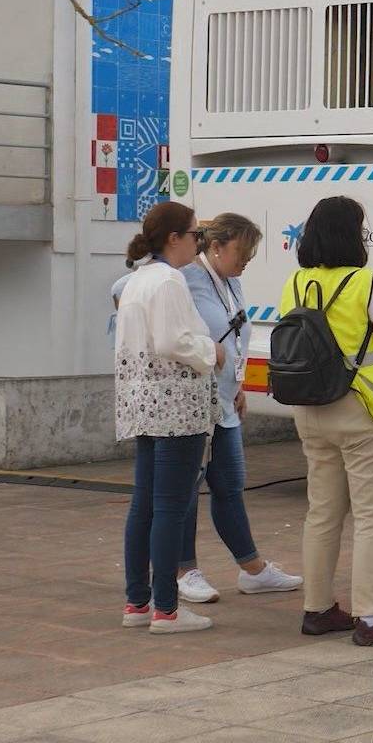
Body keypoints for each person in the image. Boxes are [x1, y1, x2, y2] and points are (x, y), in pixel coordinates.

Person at [280, 196, 373, 646]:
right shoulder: (367, 282)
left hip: (312, 410)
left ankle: (317, 608)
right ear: (352, 235)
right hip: (364, 412)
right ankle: (372, 617)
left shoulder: (296, 282)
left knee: (322, 513)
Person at [174, 213, 304, 604]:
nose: (245, 261)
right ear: (216, 246)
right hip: (193, 404)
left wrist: (238, 382)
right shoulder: (184, 277)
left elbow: (234, 335)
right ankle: (184, 570)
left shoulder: (231, 282)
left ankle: (253, 569)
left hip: (225, 401)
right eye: (241, 253)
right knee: (186, 490)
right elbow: (123, 288)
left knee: (229, 486)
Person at [113, 201, 221, 634]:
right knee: (171, 508)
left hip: (141, 403)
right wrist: (212, 351)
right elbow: (174, 341)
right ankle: (167, 609)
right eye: (196, 235)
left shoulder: (137, 280)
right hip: (176, 407)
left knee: (145, 505)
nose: (200, 242)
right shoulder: (170, 281)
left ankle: (138, 602)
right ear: (175, 238)